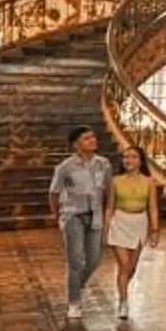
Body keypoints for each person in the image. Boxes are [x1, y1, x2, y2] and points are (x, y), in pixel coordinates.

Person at [50, 126, 111, 304]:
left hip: (96, 215)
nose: (92, 140)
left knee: (94, 259)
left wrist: (109, 212)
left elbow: (109, 189)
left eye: (93, 136)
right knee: (76, 260)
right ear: (76, 145)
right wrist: (56, 215)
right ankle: (74, 302)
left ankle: (78, 284)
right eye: (86, 138)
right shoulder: (65, 168)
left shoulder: (103, 164)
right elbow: (54, 193)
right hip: (73, 216)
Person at [104, 141, 159, 311]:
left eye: (133, 157)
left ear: (140, 161)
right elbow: (109, 207)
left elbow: (153, 208)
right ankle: (123, 302)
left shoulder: (149, 182)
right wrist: (106, 228)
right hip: (119, 223)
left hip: (139, 223)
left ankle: (122, 286)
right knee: (125, 264)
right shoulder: (115, 181)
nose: (128, 160)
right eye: (125, 157)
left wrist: (154, 230)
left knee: (131, 267)